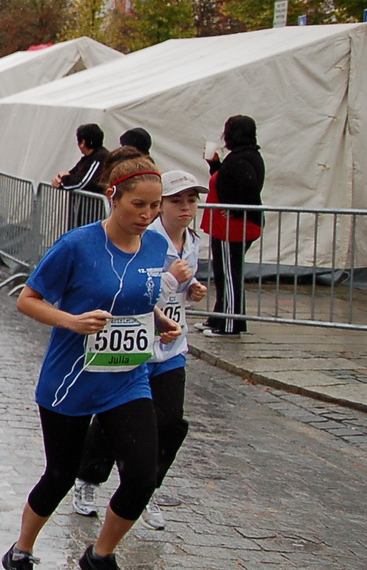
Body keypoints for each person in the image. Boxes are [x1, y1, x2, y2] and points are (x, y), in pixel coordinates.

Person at [2, 153, 167, 570]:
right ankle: (21, 552)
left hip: (127, 378)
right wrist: (72, 322)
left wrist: (158, 320)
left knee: (141, 475)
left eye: (155, 206)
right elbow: (27, 299)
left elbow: (134, 298)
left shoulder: (154, 247)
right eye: (138, 204)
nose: (147, 215)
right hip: (71, 379)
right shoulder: (77, 244)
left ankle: (101, 554)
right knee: (60, 474)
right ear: (112, 197)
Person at [73, 169, 208, 529]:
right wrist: (169, 287)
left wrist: (191, 287)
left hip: (172, 346)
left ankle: (144, 489)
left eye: (191, 200)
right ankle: (88, 478)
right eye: (177, 200)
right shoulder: (146, 239)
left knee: (171, 422)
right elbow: (133, 290)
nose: (185, 207)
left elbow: (182, 280)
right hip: (137, 345)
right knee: (113, 418)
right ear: (159, 205)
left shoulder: (192, 240)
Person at [202, 115, 263, 336]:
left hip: (234, 227)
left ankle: (230, 324)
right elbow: (227, 182)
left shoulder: (241, 160)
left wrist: (234, 210)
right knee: (224, 272)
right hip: (228, 225)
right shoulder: (244, 156)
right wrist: (215, 165)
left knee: (229, 275)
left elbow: (249, 189)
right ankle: (218, 318)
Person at [52, 124, 107, 193]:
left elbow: (80, 183)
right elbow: (71, 173)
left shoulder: (100, 158)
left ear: (83, 142)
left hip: (91, 203)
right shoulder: (86, 159)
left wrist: (62, 181)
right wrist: (59, 178)